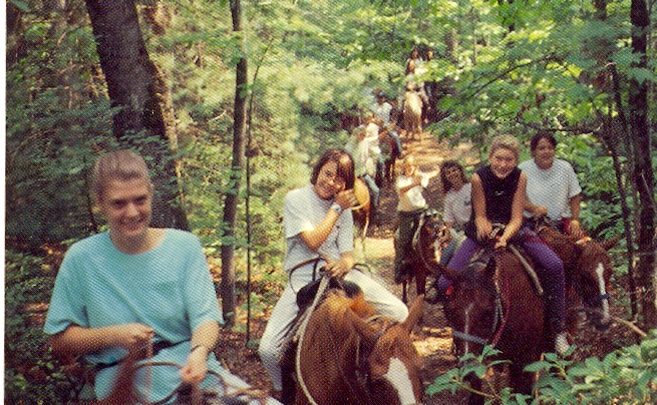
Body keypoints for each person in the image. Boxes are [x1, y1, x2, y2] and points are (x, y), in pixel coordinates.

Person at [43, 150, 278, 404]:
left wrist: (199, 353)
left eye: (140, 200)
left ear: (151, 195)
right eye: (119, 203)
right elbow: (60, 340)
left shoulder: (184, 246)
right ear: (99, 203)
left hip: (194, 372)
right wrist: (115, 336)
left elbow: (206, 318)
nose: (132, 212)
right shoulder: (81, 258)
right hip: (123, 384)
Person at [258, 149, 408, 398]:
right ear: (318, 170)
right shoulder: (296, 199)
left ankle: (383, 370)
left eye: (339, 179)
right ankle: (282, 392)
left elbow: (347, 252)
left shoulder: (344, 209)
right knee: (268, 350)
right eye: (327, 174)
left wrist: (345, 263)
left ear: (346, 184)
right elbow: (313, 241)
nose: (331, 182)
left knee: (400, 312)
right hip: (304, 278)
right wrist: (337, 208)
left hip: (339, 276)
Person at [434, 136, 569, 355]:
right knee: (442, 284)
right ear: (490, 157)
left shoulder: (520, 177)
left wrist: (505, 237)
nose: (503, 164)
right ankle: (461, 332)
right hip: (481, 233)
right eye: (499, 158)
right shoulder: (479, 178)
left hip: (514, 230)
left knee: (554, 265)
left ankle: (557, 329)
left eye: (509, 160)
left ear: (516, 160)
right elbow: (479, 215)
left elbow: (516, 217)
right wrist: (483, 225)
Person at [519, 131, 584, 239]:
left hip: (561, 223)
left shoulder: (565, 168)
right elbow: (517, 199)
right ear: (533, 151)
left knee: (587, 248)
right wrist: (534, 209)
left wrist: (575, 220)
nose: (546, 151)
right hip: (532, 224)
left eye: (550, 148)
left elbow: (575, 196)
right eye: (541, 148)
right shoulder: (523, 169)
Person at [393, 155, 438, 283]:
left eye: (411, 166)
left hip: (421, 211)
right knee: (402, 240)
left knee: (435, 232)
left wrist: (434, 172)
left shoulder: (419, 176)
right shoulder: (401, 179)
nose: (409, 169)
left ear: (415, 167)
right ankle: (399, 270)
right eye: (407, 166)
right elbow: (401, 190)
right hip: (406, 214)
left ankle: (436, 264)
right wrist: (414, 183)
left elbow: (428, 177)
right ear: (403, 167)